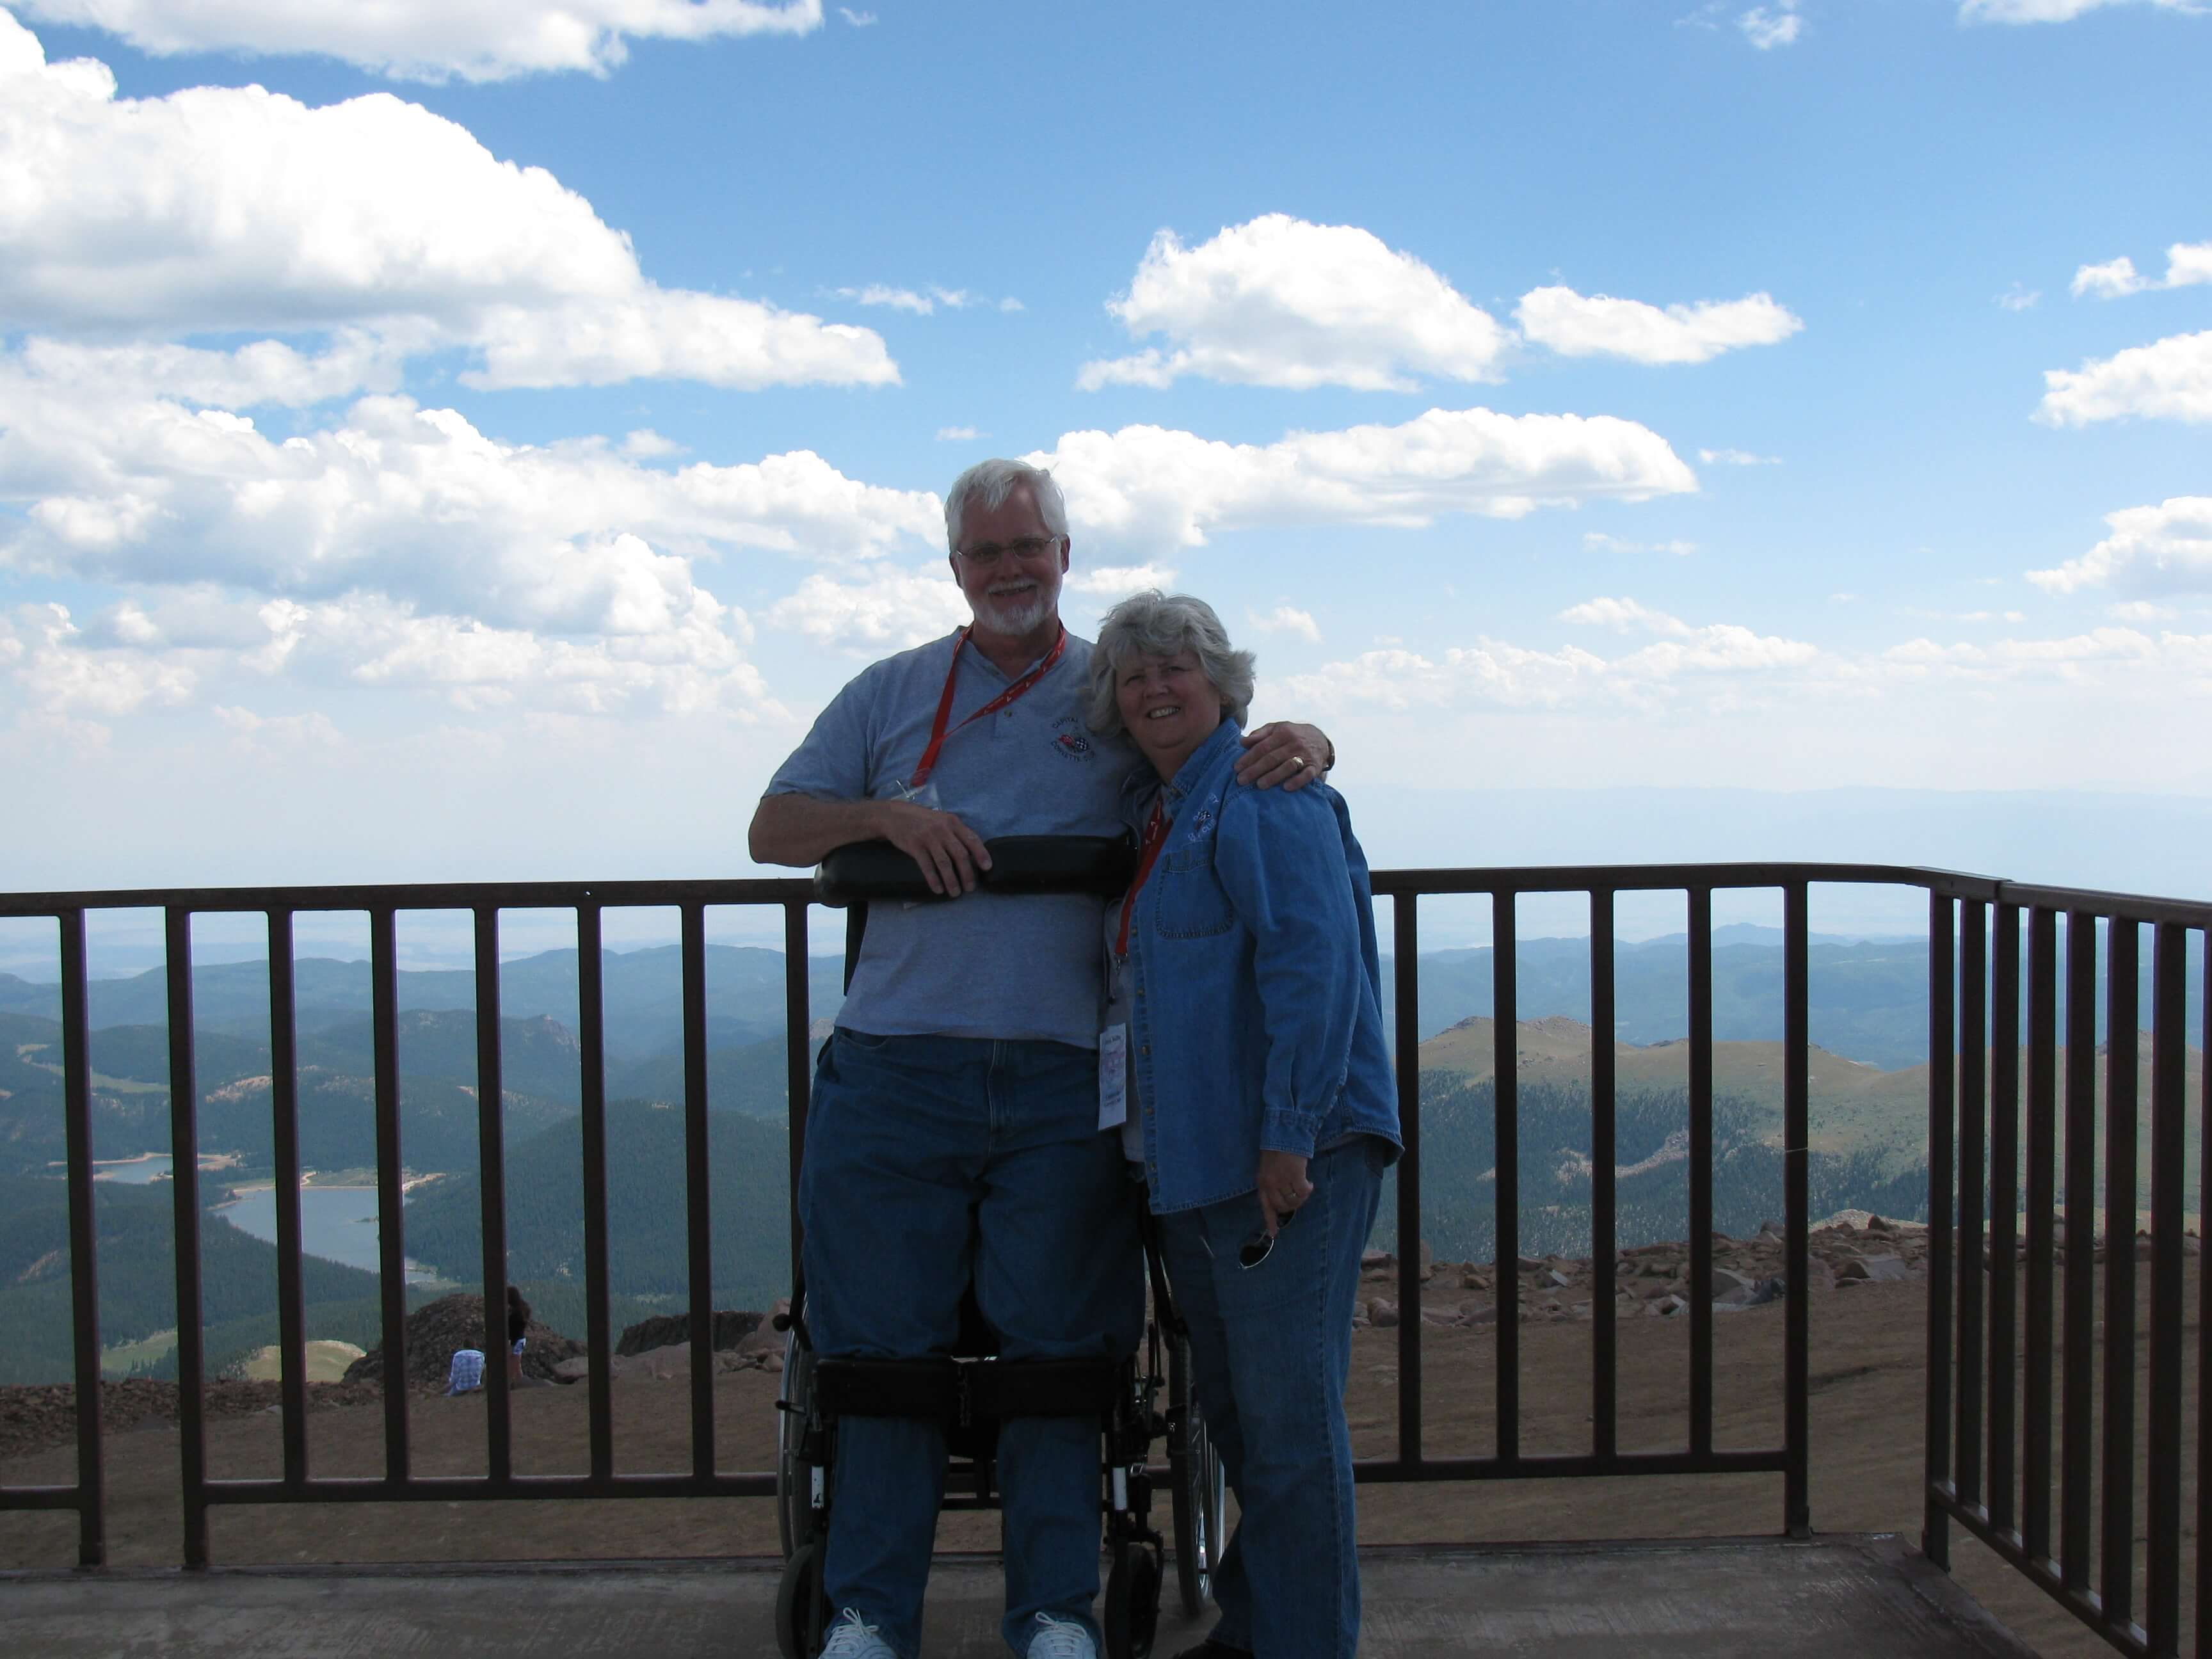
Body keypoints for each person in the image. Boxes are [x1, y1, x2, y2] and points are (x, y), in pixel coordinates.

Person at [748, 459, 1334, 1659]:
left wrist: (1311, 740)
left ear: (1063, 555)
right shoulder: (890, 692)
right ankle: (866, 1611)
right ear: (954, 566)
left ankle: (1056, 1611)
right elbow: (772, 827)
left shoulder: (1113, 689)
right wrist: (883, 816)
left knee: (1062, 1351)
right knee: (875, 1349)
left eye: (1029, 548)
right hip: (895, 1062)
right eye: (985, 553)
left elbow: (1212, 753)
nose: (1009, 569)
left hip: (1069, 1067)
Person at [1086, 591, 1399, 1659]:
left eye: (1177, 666)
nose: (1156, 686)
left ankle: (1304, 1642)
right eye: (1134, 677)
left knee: (1290, 1428)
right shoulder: (1161, 805)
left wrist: (1290, 1138)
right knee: (1241, 1414)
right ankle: (1257, 1625)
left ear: (1224, 684)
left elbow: (1315, 973)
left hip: (1280, 1156)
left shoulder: (1263, 799)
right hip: (1200, 1159)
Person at [506, 1285, 530, 1386]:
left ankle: (509, 1384)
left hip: (516, 1341)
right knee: (517, 1365)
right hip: (520, 1340)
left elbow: (514, 1331)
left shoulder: (515, 1314)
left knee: (512, 1364)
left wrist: (511, 1344)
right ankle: (522, 1383)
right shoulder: (523, 1308)